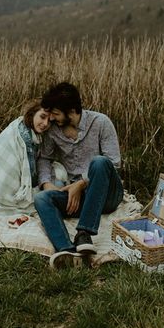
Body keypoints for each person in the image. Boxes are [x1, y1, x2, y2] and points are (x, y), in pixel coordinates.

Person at [35, 82, 123, 268]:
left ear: (72, 111)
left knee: (99, 162)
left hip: (107, 194)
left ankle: (84, 233)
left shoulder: (101, 122)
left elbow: (114, 163)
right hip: (78, 198)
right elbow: (44, 158)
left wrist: (82, 183)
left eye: (56, 113)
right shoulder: (53, 131)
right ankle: (68, 252)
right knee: (42, 198)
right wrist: (46, 184)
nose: (51, 118)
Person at [0, 99, 51, 215]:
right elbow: (31, 176)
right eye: (42, 117)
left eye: (49, 121)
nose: (45, 123)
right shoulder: (25, 137)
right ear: (32, 114)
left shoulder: (23, 125)